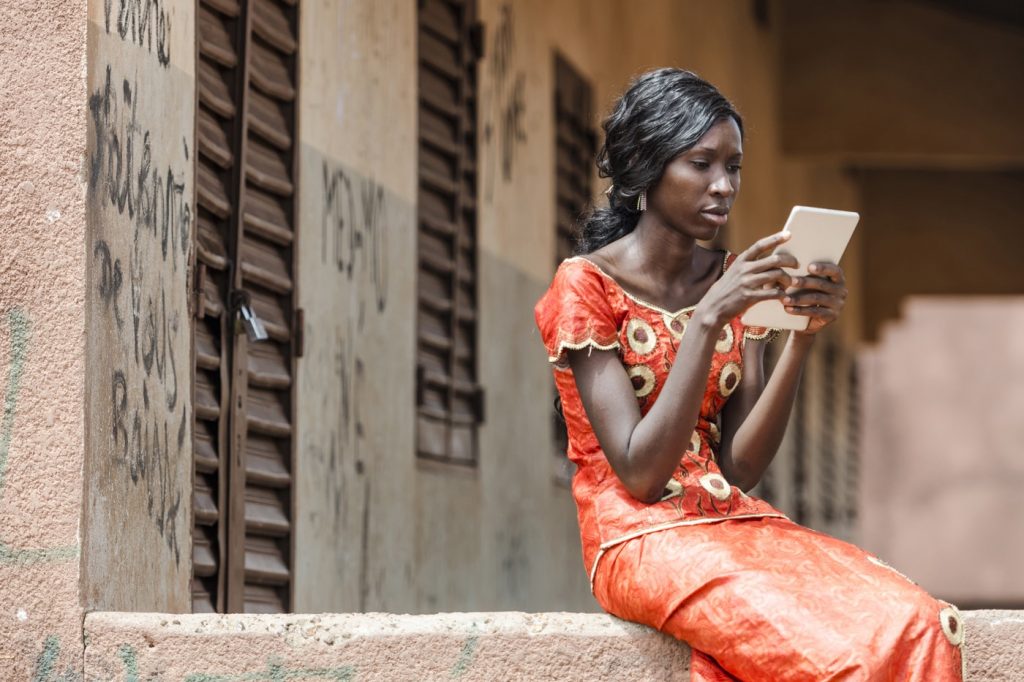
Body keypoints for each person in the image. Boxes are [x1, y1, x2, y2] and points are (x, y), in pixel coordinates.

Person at [534, 68, 963, 681]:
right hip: (635, 540)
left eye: (732, 166)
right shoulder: (586, 285)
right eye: (701, 164)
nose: (723, 186)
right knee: (832, 659)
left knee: (918, 620)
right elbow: (642, 474)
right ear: (644, 170)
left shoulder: (737, 277)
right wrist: (709, 318)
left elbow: (740, 466)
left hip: (732, 522)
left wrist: (801, 341)